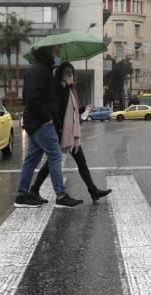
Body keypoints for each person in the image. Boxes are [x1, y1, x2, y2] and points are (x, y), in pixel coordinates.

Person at [29, 62, 112, 203]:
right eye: (67, 73)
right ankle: (35, 190)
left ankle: (93, 190)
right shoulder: (60, 89)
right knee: (52, 163)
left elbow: (71, 111)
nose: (70, 76)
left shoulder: (72, 91)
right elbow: (59, 110)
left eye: (71, 73)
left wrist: (83, 109)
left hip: (70, 134)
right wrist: (63, 86)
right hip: (62, 132)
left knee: (79, 162)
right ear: (61, 76)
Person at [15, 45, 83, 209]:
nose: (57, 55)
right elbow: (32, 99)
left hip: (36, 122)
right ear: (47, 53)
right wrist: (47, 118)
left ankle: (23, 195)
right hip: (41, 123)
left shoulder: (42, 70)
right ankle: (60, 196)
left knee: (31, 160)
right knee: (54, 155)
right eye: (55, 52)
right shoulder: (39, 71)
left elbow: (46, 96)